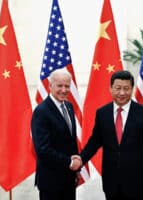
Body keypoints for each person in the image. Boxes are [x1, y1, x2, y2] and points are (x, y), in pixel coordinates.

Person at [78, 70, 143, 200]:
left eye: (126, 88)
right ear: (111, 89)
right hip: (111, 182)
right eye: (118, 88)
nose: (122, 93)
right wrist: (80, 160)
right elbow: (95, 142)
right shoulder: (102, 113)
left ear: (132, 89)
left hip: (137, 182)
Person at [31, 68, 82, 200]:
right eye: (60, 85)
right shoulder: (41, 111)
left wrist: (76, 170)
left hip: (69, 180)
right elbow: (42, 149)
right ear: (50, 86)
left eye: (67, 86)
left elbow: (70, 141)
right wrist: (69, 162)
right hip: (51, 182)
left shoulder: (69, 107)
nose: (64, 90)